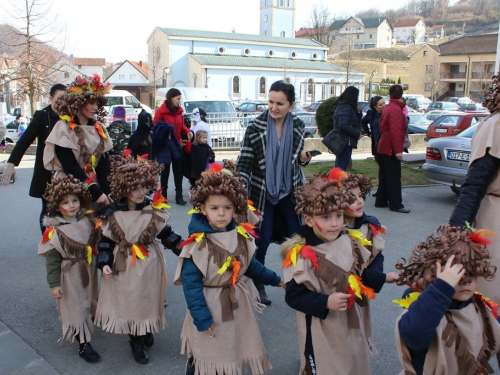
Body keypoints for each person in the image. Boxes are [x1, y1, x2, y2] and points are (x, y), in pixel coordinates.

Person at [174, 163, 283, 375]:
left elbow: (251, 267)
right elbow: (191, 285)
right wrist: (201, 317)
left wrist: (276, 280)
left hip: (235, 302)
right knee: (206, 349)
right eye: (214, 208)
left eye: (227, 208)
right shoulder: (197, 244)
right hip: (209, 303)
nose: (221, 214)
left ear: (235, 208)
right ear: (203, 209)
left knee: (230, 345)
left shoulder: (239, 237)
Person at [281, 169, 379, 374]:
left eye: (339, 215)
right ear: (309, 220)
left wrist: (385, 277)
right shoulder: (302, 255)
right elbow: (294, 297)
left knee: (350, 359)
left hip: (348, 321)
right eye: (326, 217)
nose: (334, 223)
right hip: (320, 326)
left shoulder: (348, 241)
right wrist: (325, 302)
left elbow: (357, 274)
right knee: (326, 364)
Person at [95, 154, 181, 364]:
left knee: (149, 297)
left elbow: (167, 234)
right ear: (124, 188)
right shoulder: (113, 215)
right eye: (136, 187)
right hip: (125, 267)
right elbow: (106, 241)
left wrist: (185, 249)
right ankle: (136, 340)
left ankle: (146, 326)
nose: (141, 192)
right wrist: (104, 262)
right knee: (132, 301)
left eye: (144, 187)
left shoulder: (152, 211)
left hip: (150, 264)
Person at [236, 80, 311, 305]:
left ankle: (299, 283)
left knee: (298, 237)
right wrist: (240, 187)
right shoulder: (256, 126)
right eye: (270, 102)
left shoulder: (298, 125)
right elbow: (245, 161)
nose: (274, 107)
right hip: (262, 192)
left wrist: (303, 159)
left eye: (280, 103)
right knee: (262, 239)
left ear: (291, 104)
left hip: (290, 191)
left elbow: (295, 159)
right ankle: (258, 284)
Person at [394, 224, 500, 375]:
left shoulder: (480, 308)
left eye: (472, 274)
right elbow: (413, 335)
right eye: (457, 275)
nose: (466, 282)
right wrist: (440, 289)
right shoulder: (426, 307)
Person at [38, 175, 101, 363]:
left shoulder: (88, 220)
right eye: (65, 202)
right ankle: (83, 343)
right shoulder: (56, 231)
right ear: (57, 206)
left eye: (74, 200)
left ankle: (84, 324)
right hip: (69, 273)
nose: (72, 205)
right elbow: (52, 260)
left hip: (88, 268)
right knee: (75, 305)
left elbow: (98, 239)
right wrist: (54, 284)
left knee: (88, 300)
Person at [2, 84, 67, 232]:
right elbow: (25, 141)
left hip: (66, 170)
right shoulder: (43, 116)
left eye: (66, 99)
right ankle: (48, 243)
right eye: (59, 99)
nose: (63, 103)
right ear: (51, 99)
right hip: (46, 172)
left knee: (67, 208)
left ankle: (63, 241)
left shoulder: (70, 117)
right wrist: (11, 164)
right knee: (48, 209)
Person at [43, 75, 114, 206]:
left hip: (95, 186)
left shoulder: (99, 129)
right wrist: (95, 192)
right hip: (69, 187)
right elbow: (70, 167)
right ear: (79, 103)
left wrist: (107, 191)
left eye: (97, 103)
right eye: (91, 103)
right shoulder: (63, 128)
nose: (95, 108)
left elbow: (103, 165)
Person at [153, 88, 193, 205]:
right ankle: (163, 195)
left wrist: (188, 131)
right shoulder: (161, 111)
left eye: (180, 99)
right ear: (171, 98)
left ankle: (179, 196)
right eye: (178, 99)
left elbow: (181, 126)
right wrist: (164, 132)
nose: (179, 101)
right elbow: (155, 125)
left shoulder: (179, 111)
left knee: (178, 171)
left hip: (177, 144)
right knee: (165, 172)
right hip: (166, 145)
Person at [375, 84, 410, 213]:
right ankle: (396, 204)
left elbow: (381, 127)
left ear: (389, 94)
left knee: (384, 176)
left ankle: (381, 200)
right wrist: (398, 151)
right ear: (401, 95)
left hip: (383, 145)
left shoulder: (388, 108)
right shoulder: (396, 110)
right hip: (390, 147)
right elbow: (395, 132)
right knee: (394, 177)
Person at [332, 86, 362, 170]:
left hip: (344, 142)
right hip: (345, 142)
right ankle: (337, 182)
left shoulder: (346, 107)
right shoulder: (346, 107)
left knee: (340, 166)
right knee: (341, 167)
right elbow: (343, 125)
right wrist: (357, 134)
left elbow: (356, 122)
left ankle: (337, 182)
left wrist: (358, 112)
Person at [152, 120, 183, 199]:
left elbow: (175, 149)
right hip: (164, 156)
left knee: (177, 174)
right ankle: (164, 194)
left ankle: (178, 195)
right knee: (164, 175)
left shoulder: (171, 140)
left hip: (169, 154)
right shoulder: (163, 140)